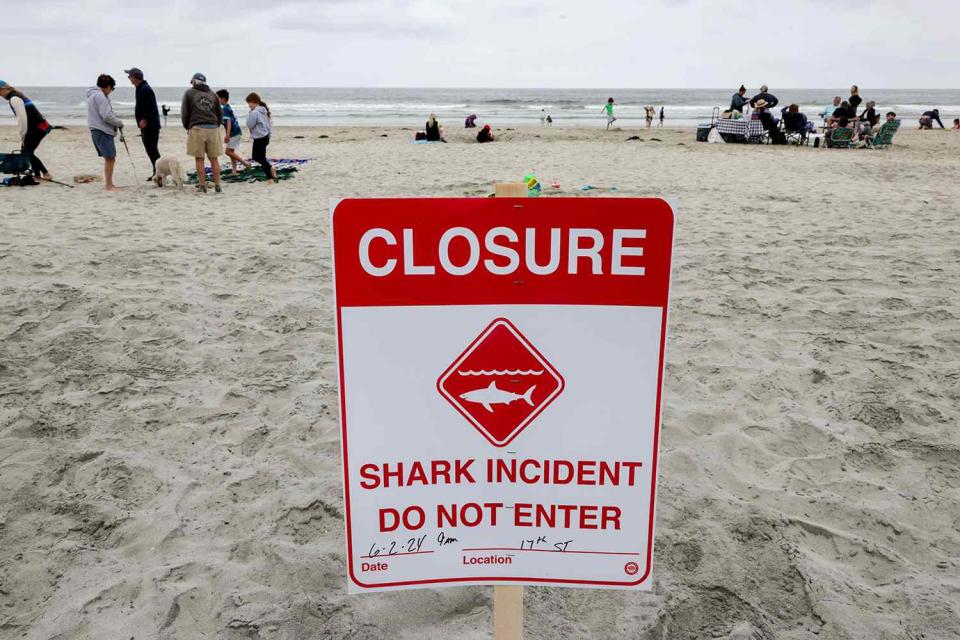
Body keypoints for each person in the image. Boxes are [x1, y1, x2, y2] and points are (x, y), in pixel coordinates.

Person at [0, 81, 52, 181]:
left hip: (37, 128)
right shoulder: (17, 95)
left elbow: (22, 118)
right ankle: (37, 175)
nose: (0, 95)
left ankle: (46, 174)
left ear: (5, 89)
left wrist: (22, 135)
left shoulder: (14, 98)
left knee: (27, 152)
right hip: (40, 127)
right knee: (28, 152)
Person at [181, 72, 223, 193]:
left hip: (197, 128)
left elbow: (185, 113)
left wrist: (187, 127)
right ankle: (218, 184)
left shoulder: (189, 93)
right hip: (213, 128)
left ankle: (202, 185)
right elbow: (220, 114)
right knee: (214, 158)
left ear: (194, 82)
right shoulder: (213, 95)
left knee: (199, 159)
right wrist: (216, 125)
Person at [86, 74, 123, 192]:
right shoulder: (100, 96)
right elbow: (106, 115)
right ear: (108, 86)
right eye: (112, 88)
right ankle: (109, 185)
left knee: (109, 158)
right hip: (101, 130)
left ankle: (109, 184)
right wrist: (118, 122)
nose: (111, 91)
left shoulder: (92, 95)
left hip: (96, 129)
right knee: (110, 158)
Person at [124, 67, 161, 179]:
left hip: (150, 126)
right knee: (151, 150)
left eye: (129, 76)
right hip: (148, 125)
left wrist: (144, 119)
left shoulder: (145, 89)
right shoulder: (140, 87)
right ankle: (157, 172)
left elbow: (151, 108)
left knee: (152, 150)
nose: (129, 78)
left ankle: (158, 172)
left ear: (135, 77)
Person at [217, 89, 251, 174]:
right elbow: (225, 121)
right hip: (236, 132)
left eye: (218, 98)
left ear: (223, 98)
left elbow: (228, 123)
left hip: (234, 133)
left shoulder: (225, 108)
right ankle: (234, 170)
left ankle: (246, 164)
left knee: (228, 152)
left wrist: (227, 135)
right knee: (231, 152)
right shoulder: (226, 107)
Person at [246, 92, 277, 184]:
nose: (249, 105)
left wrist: (250, 114)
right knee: (260, 157)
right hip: (265, 136)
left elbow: (249, 124)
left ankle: (270, 177)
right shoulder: (264, 111)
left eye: (249, 103)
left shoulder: (255, 112)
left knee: (257, 157)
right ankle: (271, 171)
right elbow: (269, 125)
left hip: (259, 137)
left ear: (254, 101)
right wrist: (269, 135)